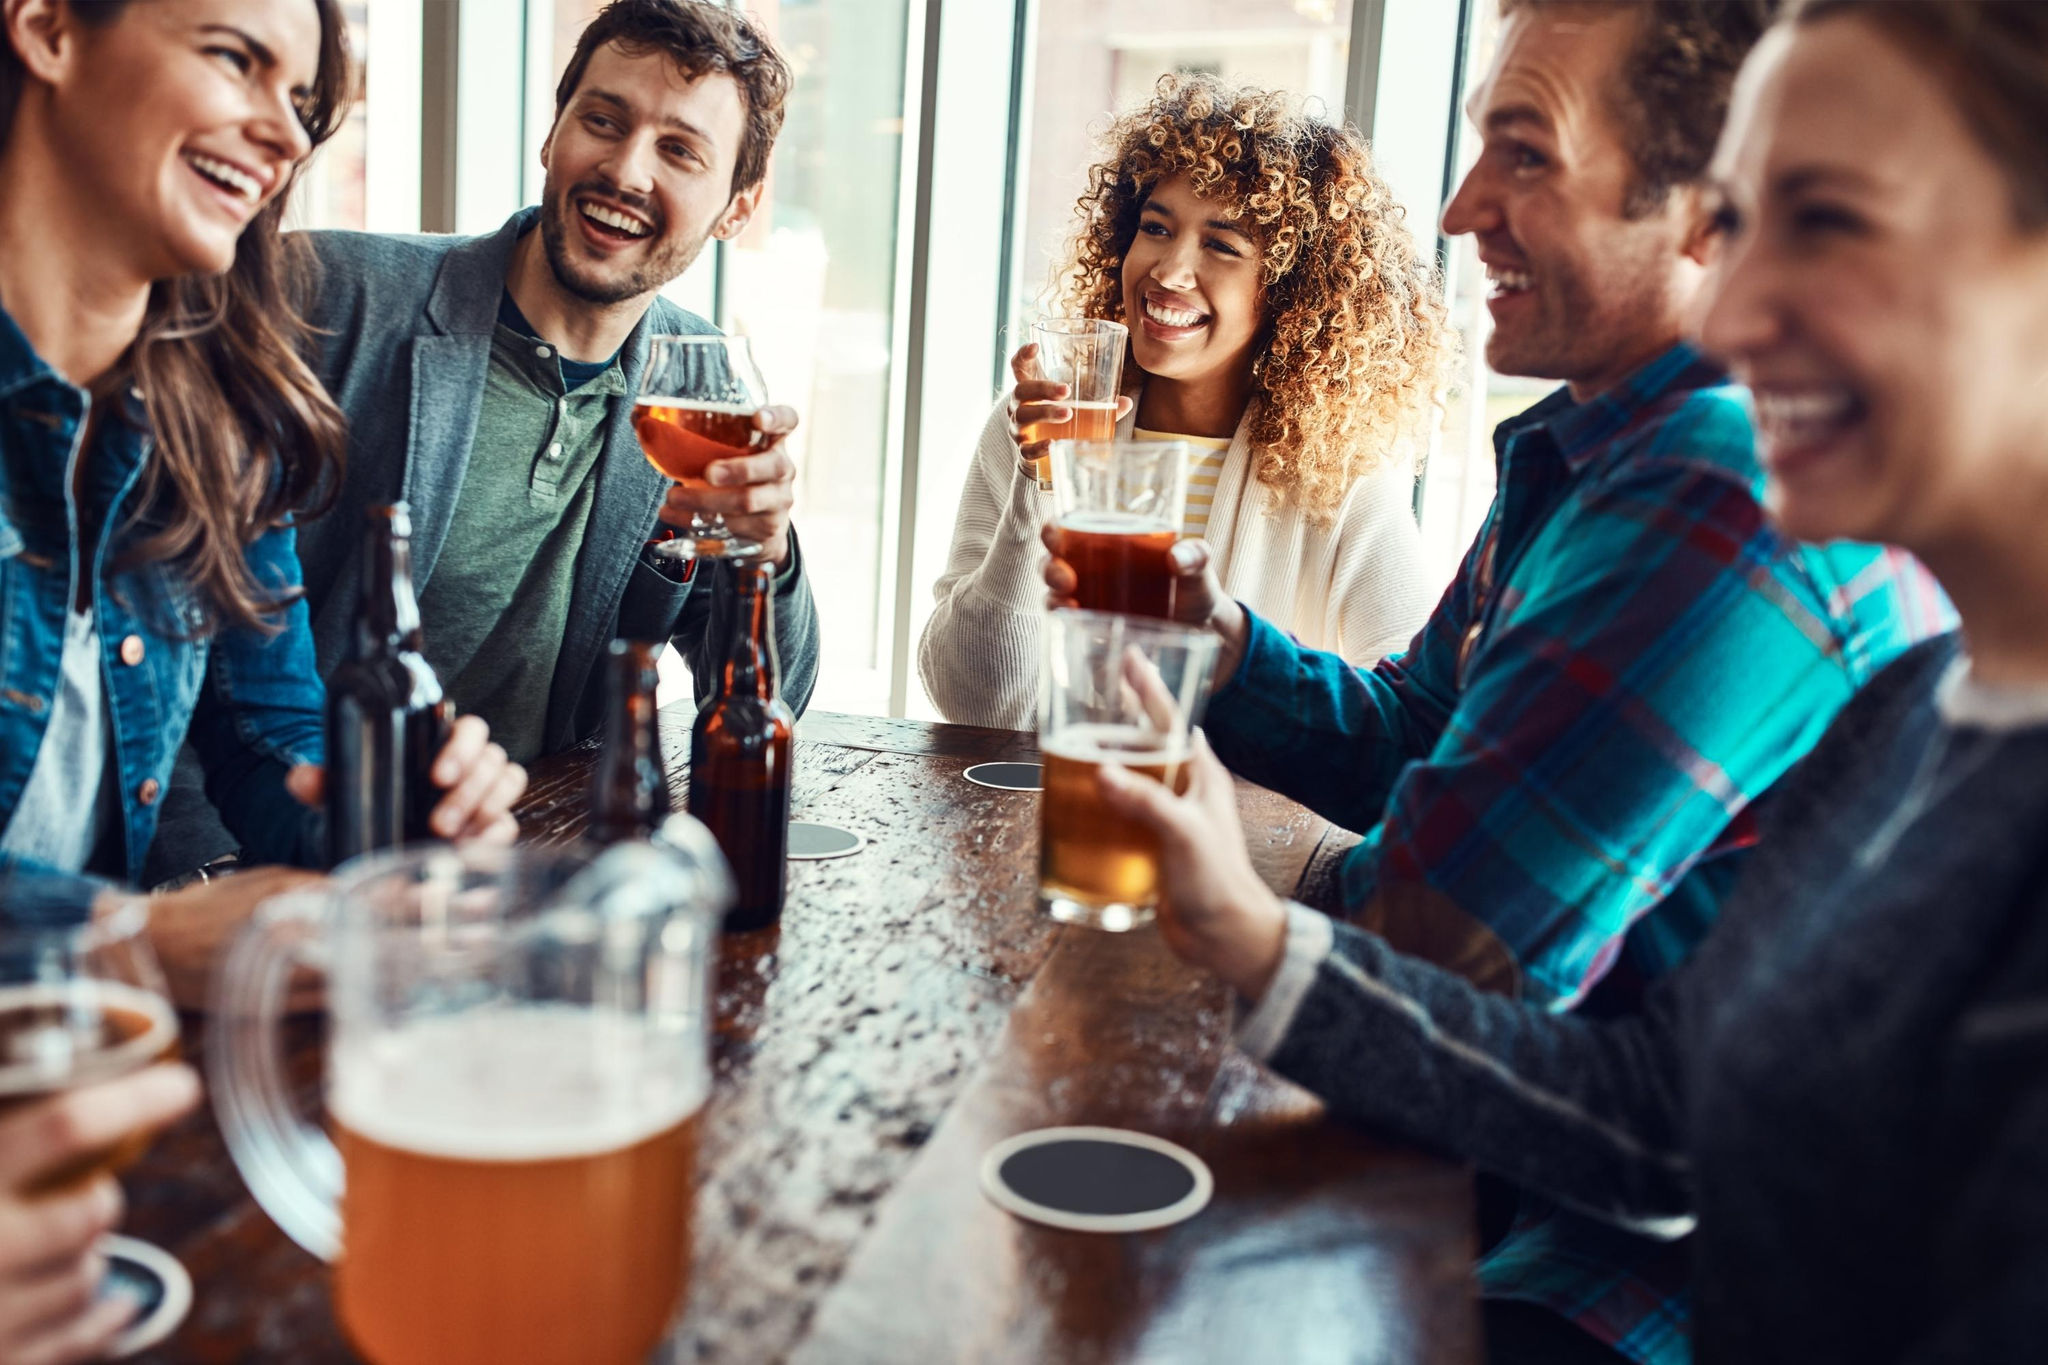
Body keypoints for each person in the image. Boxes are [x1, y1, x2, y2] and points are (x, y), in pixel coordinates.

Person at [1097, 2, 2048, 1359]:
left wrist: (1261, 874)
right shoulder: (1930, 703)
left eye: (1822, 217)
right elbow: (1661, 1130)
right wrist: (1226, 685)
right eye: (1741, 213)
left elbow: (1449, 946)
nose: (1743, 295)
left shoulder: (1712, 480)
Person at [142, 0, 821, 881]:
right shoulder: (322, 299)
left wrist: (766, 555)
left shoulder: (699, 398)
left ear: (738, 205)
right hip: (281, 856)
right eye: (602, 121)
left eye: (680, 150)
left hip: (525, 866)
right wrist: (209, 873)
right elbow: (200, 653)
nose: (624, 169)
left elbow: (781, 691)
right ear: (553, 134)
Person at [0, 0, 521, 889]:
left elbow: (265, 732)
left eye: (304, 101)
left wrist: (385, 810)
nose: (287, 136)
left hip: (99, 1030)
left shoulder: (224, 423)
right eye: (236, 59)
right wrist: (130, 941)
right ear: (51, 30)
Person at [921, 74, 1448, 730]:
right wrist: (1039, 482)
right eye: (1155, 227)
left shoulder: (1339, 478)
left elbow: (1411, 716)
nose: (1168, 271)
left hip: (1237, 831)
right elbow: (975, 702)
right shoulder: (1036, 425)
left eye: (1222, 246)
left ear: (1290, 294)